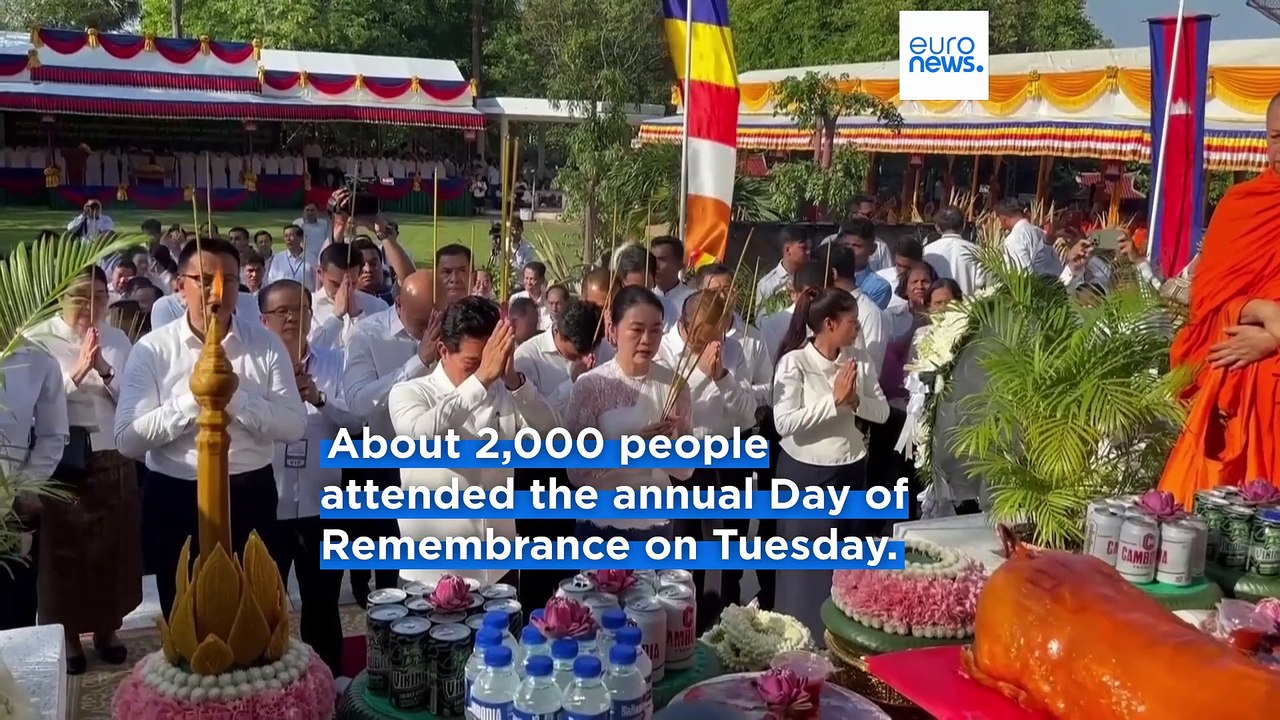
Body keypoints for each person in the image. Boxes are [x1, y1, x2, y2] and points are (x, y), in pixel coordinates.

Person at [114, 237, 307, 618]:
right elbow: (128, 439)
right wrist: (195, 399)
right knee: (184, 610)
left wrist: (234, 400)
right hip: (177, 493)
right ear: (179, 285)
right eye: (203, 279)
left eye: (230, 280)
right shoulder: (153, 350)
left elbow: (293, 425)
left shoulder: (265, 346)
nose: (217, 291)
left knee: (254, 609)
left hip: (249, 490)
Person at [1158, 96, 1280, 503]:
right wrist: (1255, 309)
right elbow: (1206, 304)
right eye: (1275, 137)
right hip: (1236, 405)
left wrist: (1272, 338)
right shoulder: (1240, 206)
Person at [389, 297, 559, 587]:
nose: (488, 372)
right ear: (443, 350)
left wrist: (515, 381)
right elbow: (421, 438)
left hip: (499, 570)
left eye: (491, 359)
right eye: (472, 363)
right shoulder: (410, 393)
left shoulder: (508, 392)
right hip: (432, 574)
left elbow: (551, 434)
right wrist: (480, 380)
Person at [26, 266, 140, 673]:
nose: (90, 306)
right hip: (62, 459)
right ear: (60, 297)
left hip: (110, 453)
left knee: (113, 548)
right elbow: (32, 406)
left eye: (99, 296)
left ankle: (108, 630)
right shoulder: (39, 340)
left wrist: (105, 370)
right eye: (80, 296)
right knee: (64, 554)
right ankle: (69, 637)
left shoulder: (118, 337)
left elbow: (134, 399)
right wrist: (75, 373)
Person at [259, 279, 361, 681]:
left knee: (323, 602)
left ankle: (327, 682)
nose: (290, 318)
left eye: (297, 309)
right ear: (263, 319)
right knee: (266, 605)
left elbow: (356, 422)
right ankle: (268, 685)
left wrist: (319, 398)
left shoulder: (336, 362)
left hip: (325, 504)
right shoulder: (249, 368)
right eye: (280, 312)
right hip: (269, 505)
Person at [771, 287, 888, 638]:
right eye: (852, 323)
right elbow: (784, 422)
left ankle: (841, 639)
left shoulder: (859, 358)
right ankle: (798, 637)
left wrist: (853, 403)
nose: (857, 330)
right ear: (829, 323)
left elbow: (880, 411)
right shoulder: (795, 362)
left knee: (846, 561)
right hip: (805, 471)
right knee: (803, 570)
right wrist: (833, 402)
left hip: (850, 467)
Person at [342, 270, 442, 599]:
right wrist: (418, 362)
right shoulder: (368, 336)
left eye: (436, 318)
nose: (430, 329)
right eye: (420, 323)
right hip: (382, 460)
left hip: (437, 463)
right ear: (398, 304)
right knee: (382, 561)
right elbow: (358, 404)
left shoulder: (450, 329)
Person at [565, 287, 693, 542]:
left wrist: (671, 447)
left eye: (656, 329)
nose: (647, 339)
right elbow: (576, 472)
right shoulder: (592, 385)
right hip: (602, 523)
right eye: (637, 329)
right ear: (613, 329)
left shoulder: (676, 384)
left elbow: (686, 470)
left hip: (656, 520)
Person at [661, 290, 757, 628]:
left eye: (719, 332)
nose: (713, 341)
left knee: (730, 545)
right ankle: (685, 619)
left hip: (726, 456)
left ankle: (726, 620)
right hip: (681, 463)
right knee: (684, 546)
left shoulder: (733, 349)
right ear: (684, 325)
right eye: (704, 334)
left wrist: (721, 377)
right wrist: (698, 376)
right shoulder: (663, 351)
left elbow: (748, 416)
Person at [511, 299, 602, 607]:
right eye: (576, 352)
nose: (586, 358)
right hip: (536, 470)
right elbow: (536, 420)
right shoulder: (527, 357)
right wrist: (572, 381)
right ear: (560, 334)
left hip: (579, 469)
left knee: (571, 563)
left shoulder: (595, 353)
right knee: (538, 563)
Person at [0, 343, 68, 631]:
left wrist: (24, 485)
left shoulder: (38, 358)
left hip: (10, 512)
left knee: (13, 619)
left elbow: (53, 434)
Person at [310, 242, 389, 350]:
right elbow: (311, 354)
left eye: (351, 284)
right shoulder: (307, 306)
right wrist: (336, 317)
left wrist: (357, 316)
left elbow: (380, 351)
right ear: (320, 273)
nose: (342, 292)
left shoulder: (378, 307)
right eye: (335, 284)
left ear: (360, 273)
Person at [829, 219, 893, 310]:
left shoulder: (879, 287)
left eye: (857, 246)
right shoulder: (827, 274)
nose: (849, 250)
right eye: (846, 245)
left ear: (872, 249)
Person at [923, 206, 984, 297]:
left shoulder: (927, 251)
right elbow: (980, 286)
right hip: (966, 308)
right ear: (963, 226)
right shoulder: (976, 251)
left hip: (935, 307)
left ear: (937, 228)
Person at [996, 198, 1061, 277]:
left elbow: (1023, 275)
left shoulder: (1013, 239)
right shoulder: (1039, 232)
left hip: (1036, 287)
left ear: (1004, 220)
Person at [756, 227, 810, 305]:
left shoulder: (814, 279)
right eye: (804, 248)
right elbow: (763, 317)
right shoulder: (768, 285)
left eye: (809, 248)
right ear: (788, 249)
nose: (808, 252)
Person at [651, 237, 694, 331]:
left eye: (662, 260)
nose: (655, 265)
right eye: (653, 260)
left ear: (680, 264)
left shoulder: (694, 299)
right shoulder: (644, 298)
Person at [265, 224, 317, 291]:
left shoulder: (311, 258)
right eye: (286, 236)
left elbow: (316, 282)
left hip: (304, 297)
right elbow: (271, 280)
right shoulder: (278, 258)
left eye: (291, 235)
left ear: (300, 238)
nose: (288, 239)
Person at [351, 236, 395, 305]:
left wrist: (385, 235)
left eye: (373, 264)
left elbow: (405, 277)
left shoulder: (390, 300)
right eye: (361, 264)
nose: (368, 269)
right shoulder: (347, 303)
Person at [510, 261, 552, 329]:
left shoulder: (550, 301)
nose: (528, 283)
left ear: (542, 280)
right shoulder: (515, 299)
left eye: (532, 279)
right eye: (526, 278)